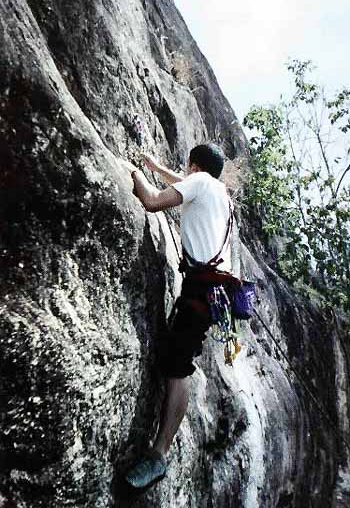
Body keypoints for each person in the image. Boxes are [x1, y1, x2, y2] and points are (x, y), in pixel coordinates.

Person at [124, 143, 235, 488]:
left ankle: (158, 456)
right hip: (214, 290)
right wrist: (157, 167)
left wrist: (135, 173)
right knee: (177, 356)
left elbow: (154, 202)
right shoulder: (221, 194)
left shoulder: (199, 184)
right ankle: (159, 450)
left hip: (202, 289)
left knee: (177, 363)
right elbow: (185, 184)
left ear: (193, 165)